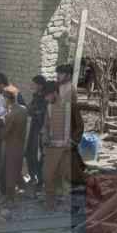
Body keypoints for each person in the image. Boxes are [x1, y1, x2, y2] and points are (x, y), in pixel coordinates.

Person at [40, 81, 85, 212]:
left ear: (55, 93)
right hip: (53, 148)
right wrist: (45, 137)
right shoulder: (49, 108)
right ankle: (51, 200)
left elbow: (80, 126)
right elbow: (46, 127)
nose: (46, 99)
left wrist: (72, 141)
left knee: (72, 176)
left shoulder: (71, 107)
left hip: (67, 149)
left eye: (47, 95)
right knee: (47, 175)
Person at [0, 86, 28, 207]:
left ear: (6, 99)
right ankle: (27, 192)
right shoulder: (23, 110)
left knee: (8, 172)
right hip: (20, 145)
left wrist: (0, 121)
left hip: (9, 147)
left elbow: (3, 135)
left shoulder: (10, 115)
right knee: (15, 171)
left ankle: (10, 199)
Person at [25, 75, 47, 190]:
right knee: (29, 153)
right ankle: (33, 178)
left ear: (40, 86)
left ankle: (40, 182)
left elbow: (41, 116)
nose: (32, 86)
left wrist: (35, 112)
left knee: (38, 156)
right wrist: (34, 111)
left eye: (34, 84)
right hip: (33, 130)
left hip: (40, 131)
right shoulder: (36, 98)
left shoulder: (45, 99)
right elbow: (30, 111)